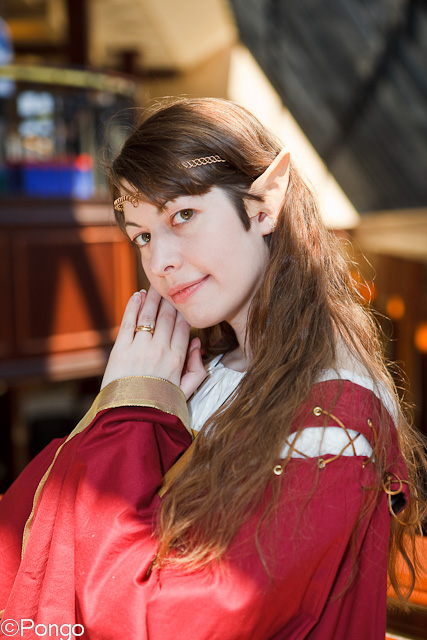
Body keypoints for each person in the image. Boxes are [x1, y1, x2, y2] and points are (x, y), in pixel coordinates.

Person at [0, 97, 426, 640]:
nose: (159, 263)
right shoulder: (212, 369)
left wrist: (129, 415)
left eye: (183, 215)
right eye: (143, 235)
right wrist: (145, 414)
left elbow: (175, 623)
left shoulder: (334, 413)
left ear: (265, 202)